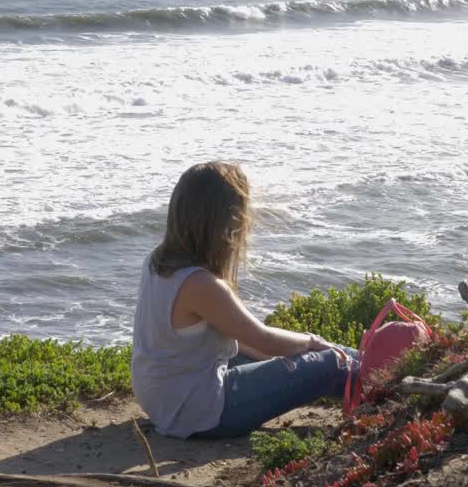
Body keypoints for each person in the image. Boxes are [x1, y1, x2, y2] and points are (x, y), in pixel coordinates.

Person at [131, 161, 358, 439]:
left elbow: (245, 341)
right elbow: (263, 340)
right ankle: (391, 386)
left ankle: (374, 364)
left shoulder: (158, 261)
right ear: (223, 222)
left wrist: (309, 350)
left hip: (165, 397)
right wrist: (311, 342)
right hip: (196, 411)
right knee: (331, 363)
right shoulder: (202, 284)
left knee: (330, 356)